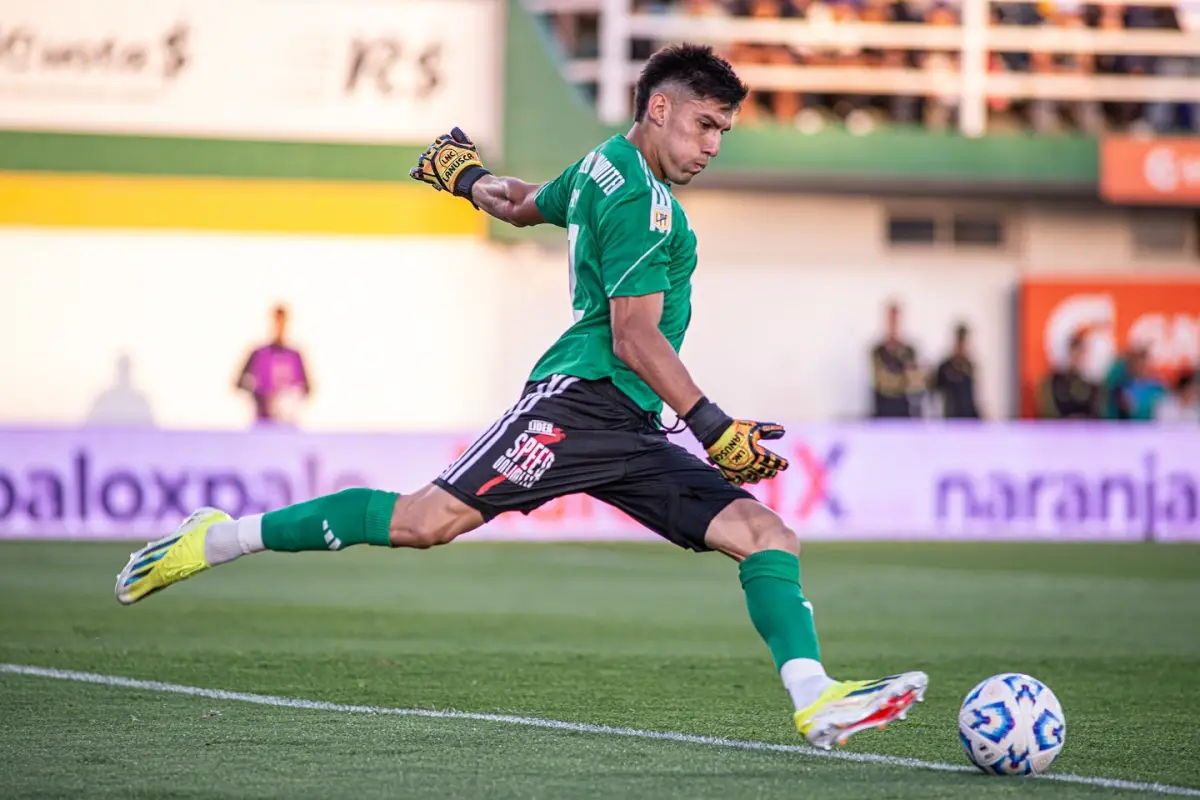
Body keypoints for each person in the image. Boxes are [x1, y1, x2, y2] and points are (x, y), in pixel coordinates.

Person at [114, 44, 926, 750]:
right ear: (661, 107)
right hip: (577, 406)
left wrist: (466, 178)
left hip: (632, 420)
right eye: (705, 125)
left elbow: (522, 203)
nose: (714, 145)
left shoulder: (604, 164)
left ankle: (815, 696)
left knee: (765, 533)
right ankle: (221, 539)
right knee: (423, 523)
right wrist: (714, 428)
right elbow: (634, 336)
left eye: (723, 131)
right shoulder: (644, 203)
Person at [235, 305, 311, 427]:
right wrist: (259, 393)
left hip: (288, 422)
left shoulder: (295, 356)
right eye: (276, 321)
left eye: (282, 321)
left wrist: (290, 396)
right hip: (263, 420)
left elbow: (308, 388)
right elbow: (239, 383)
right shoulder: (258, 354)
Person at [870, 301, 923, 418]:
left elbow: (915, 382)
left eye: (896, 319)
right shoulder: (877, 351)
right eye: (891, 319)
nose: (893, 323)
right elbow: (881, 382)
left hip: (903, 413)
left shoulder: (909, 350)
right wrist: (903, 379)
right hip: (882, 413)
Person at [1037, 331, 1099, 419]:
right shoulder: (1054, 382)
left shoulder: (1092, 385)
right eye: (1076, 353)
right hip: (1059, 430)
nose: (1078, 358)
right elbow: (1048, 410)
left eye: (1082, 353)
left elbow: (1096, 413)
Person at [932, 322, 981, 419]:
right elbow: (936, 391)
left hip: (969, 418)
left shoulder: (969, 366)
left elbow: (971, 396)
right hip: (951, 418)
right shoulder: (945, 367)